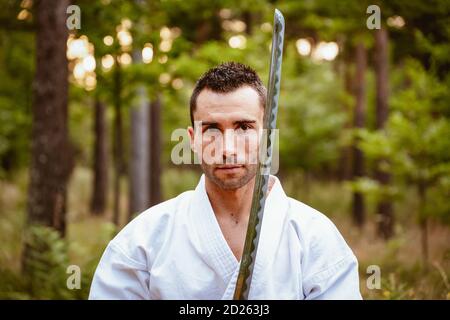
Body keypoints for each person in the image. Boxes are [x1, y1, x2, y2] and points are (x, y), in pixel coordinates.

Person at [89, 62, 362, 300]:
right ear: (192, 138)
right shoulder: (142, 243)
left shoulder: (316, 240)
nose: (228, 148)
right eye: (211, 129)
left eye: (244, 127)